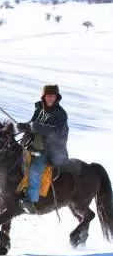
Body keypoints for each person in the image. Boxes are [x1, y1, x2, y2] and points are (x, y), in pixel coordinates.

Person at [16, 84, 78, 213]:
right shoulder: (39, 109)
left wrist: (38, 128)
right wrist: (25, 126)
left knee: (35, 168)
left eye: (53, 96)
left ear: (57, 97)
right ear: (43, 96)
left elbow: (58, 133)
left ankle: (31, 200)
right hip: (34, 145)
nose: (50, 98)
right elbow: (33, 123)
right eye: (48, 95)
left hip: (50, 150)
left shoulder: (61, 114)